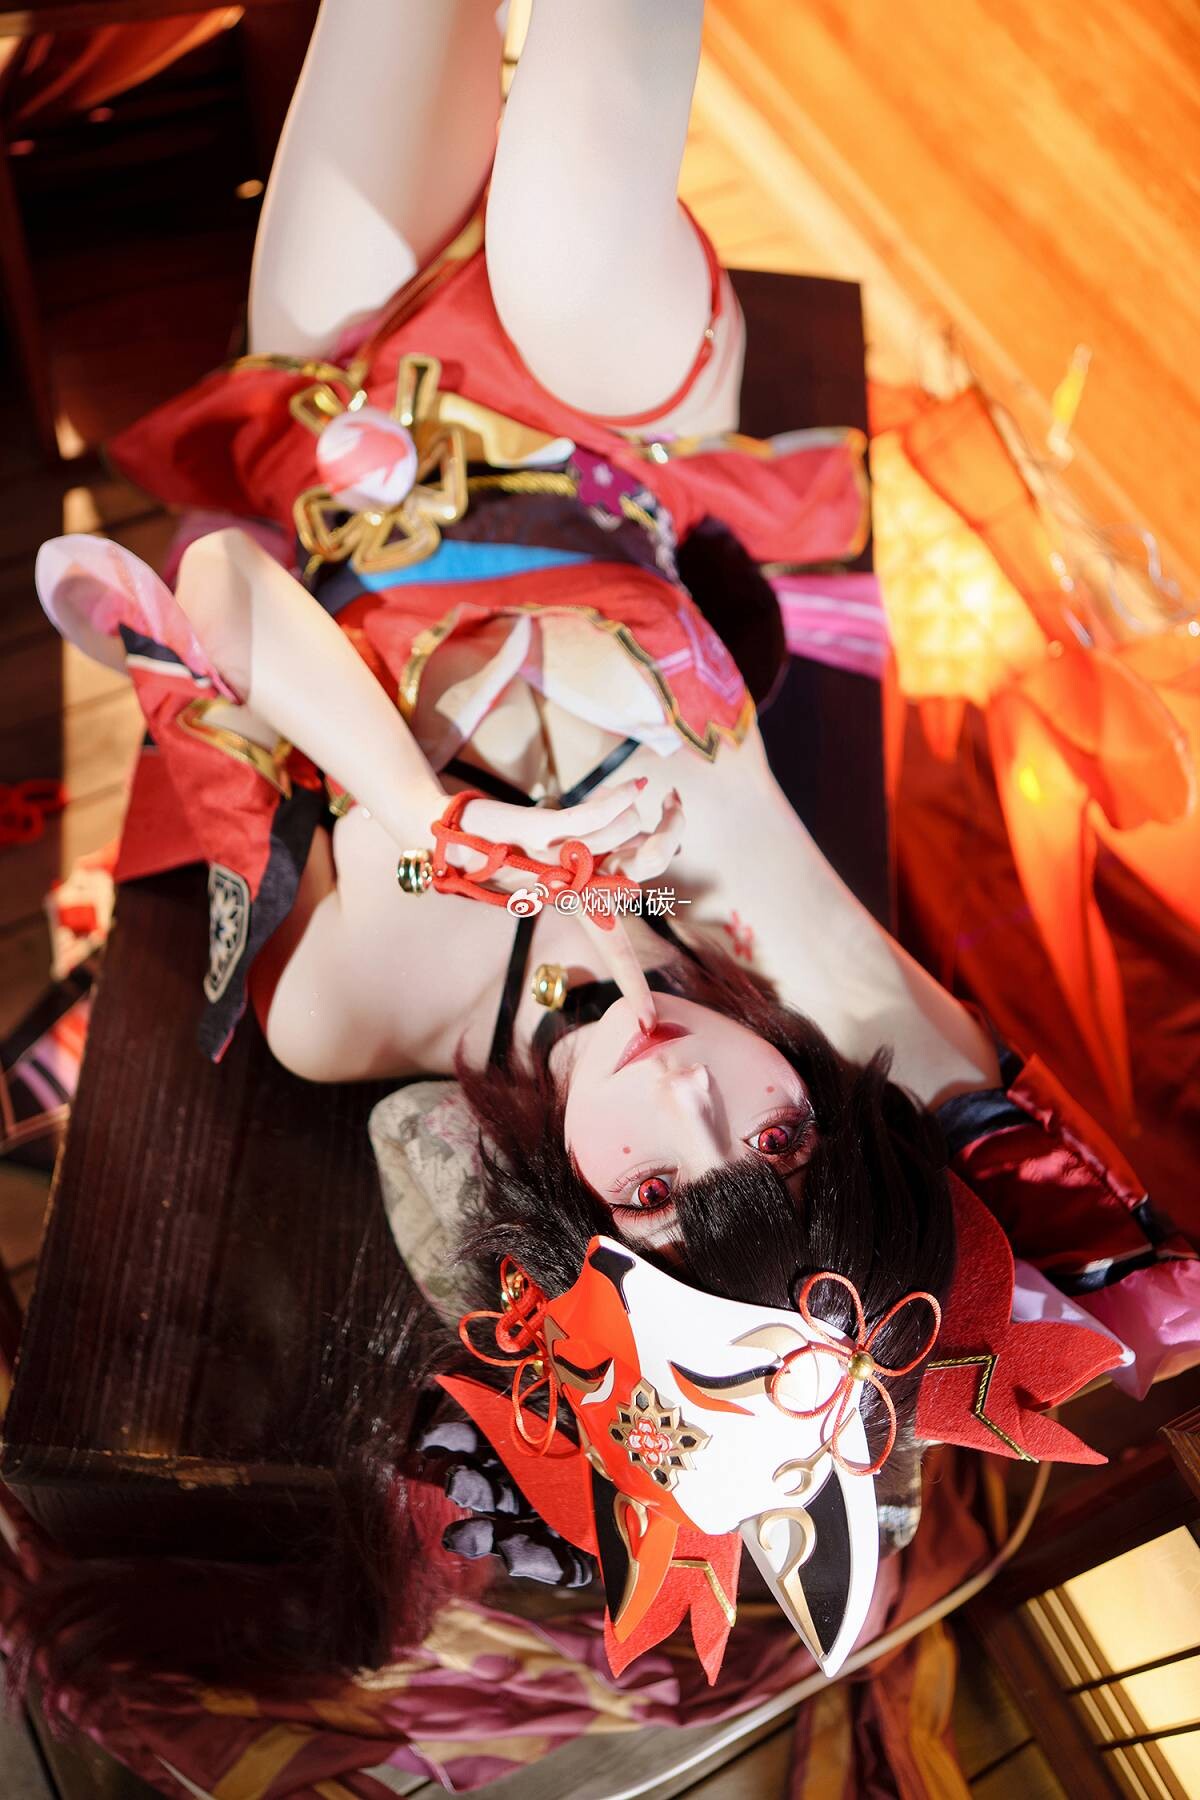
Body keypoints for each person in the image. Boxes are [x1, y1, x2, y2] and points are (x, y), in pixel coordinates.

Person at [30, 0, 1197, 1692]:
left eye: (654, 1184)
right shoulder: (765, 934)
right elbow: (1094, 1258)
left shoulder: (359, 1012)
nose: (688, 1085)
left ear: (575, 1224)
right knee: (568, 243)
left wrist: (422, 818)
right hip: (603, 409)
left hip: (346, 419)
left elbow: (217, 577)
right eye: (776, 1136)